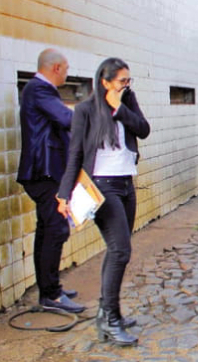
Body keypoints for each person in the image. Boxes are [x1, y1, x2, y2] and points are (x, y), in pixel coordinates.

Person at [57, 58, 150, 345]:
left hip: (126, 184)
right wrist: (64, 193)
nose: (126, 85)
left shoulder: (128, 102)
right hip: (102, 187)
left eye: (128, 80)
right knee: (120, 250)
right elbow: (74, 153)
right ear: (105, 82)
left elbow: (144, 130)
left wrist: (120, 108)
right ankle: (110, 320)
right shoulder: (85, 110)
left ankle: (108, 313)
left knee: (117, 250)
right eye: (122, 81)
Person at [17, 49, 85, 313]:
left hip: (45, 172)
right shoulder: (39, 90)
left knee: (47, 230)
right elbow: (67, 119)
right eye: (66, 69)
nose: (67, 74)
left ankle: (49, 289)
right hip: (44, 173)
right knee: (55, 230)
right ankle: (52, 296)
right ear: (56, 68)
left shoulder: (39, 91)